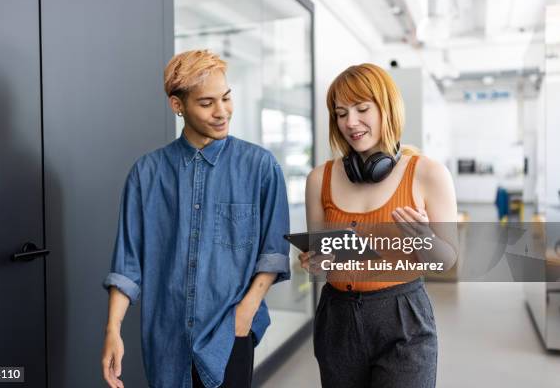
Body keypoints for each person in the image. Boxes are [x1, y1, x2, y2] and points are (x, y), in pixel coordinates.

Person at [101, 49, 291, 388]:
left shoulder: (261, 167)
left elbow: (273, 252)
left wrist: (245, 313)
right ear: (178, 105)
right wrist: (113, 329)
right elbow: (127, 263)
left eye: (226, 98)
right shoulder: (146, 173)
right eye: (206, 103)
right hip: (165, 337)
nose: (222, 112)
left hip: (229, 332)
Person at [299, 63, 458, 388]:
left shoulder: (428, 174)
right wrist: (315, 260)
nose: (350, 122)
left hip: (402, 316)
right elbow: (321, 257)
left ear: (387, 108)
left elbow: (446, 261)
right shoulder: (320, 179)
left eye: (361, 109)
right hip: (337, 317)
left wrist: (424, 238)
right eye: (341, 113)